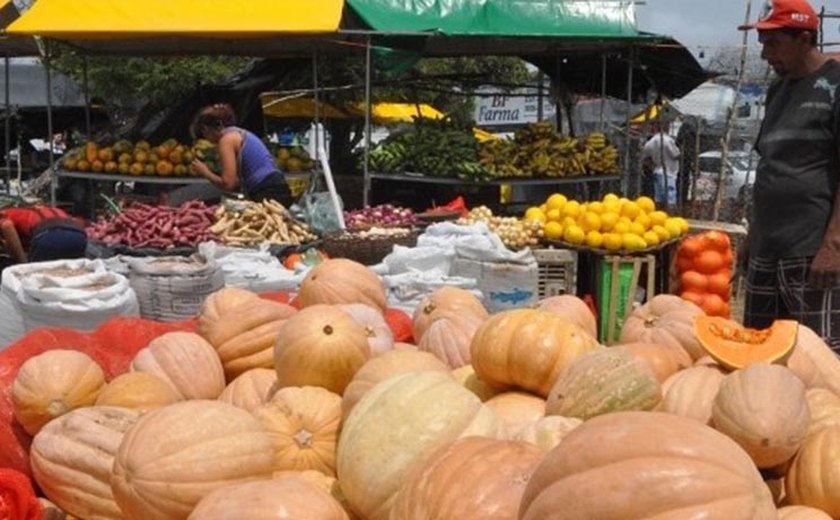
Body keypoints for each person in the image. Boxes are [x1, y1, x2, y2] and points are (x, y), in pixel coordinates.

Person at [739, 0, 840, 350]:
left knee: (819, 355)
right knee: (757, 349)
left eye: (773, 44)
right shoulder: (776, 92)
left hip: (811, 253)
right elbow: (768, 167)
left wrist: (833, 245)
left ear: (805, 38)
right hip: (768, 249)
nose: (766, 55)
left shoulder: (835, 84)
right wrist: (753, 237)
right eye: (763, 44)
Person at [190, 103, 293, 205]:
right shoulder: (238, 133)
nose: (207, 140)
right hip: (276, 186)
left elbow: (228, 184)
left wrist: (205, 172)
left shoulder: (226, 140)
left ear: (205, 129)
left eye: (203, 135)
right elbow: (237, 180)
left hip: (267, 192)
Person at [0, 205, 87, 263]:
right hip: (78, 235)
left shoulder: (4, 214)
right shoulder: (33, 211)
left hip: (50, 236)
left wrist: (22, 262)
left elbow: (7, 226)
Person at [641, 123, 681, 208]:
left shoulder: (651, 141)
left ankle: (659, 214)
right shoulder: (668, 140)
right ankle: (670, 216)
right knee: (670, 197)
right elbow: (676, 155)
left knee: (658, 197)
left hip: (657, 171)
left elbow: (645, 156)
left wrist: (653, 165)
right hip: (668, 172)